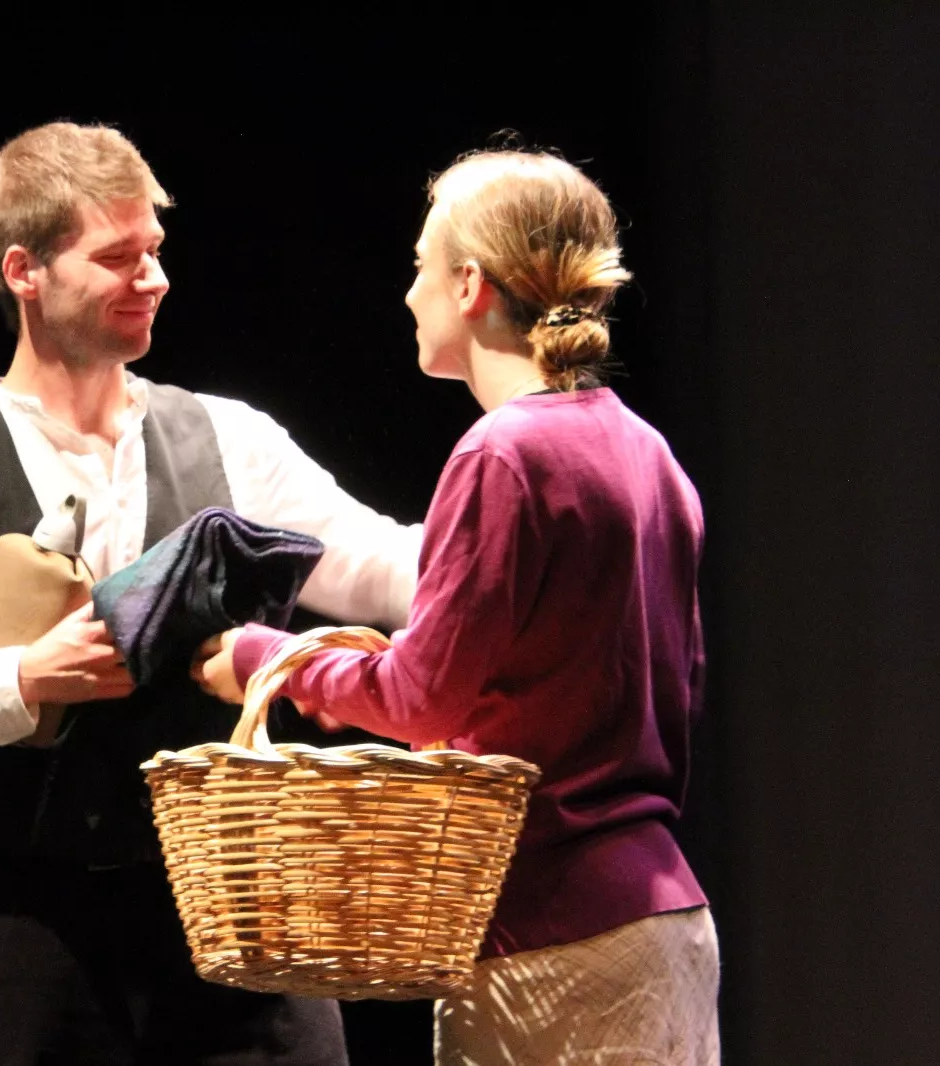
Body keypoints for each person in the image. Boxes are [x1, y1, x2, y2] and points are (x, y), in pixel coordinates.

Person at [0, 121, 425, 1066]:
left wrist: (520, 534)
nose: (155, 278)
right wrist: (21, 679)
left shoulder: (230, 440)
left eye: (156, 251)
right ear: (26, 271)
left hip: (230, 915)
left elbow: (379, 565)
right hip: (24, 935)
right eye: (118, 256)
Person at [195, 148, 720, 1064]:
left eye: (419, 266)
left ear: (470, 284)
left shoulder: (502, 455)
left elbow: (420, 696)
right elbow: (678, 690)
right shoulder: (650, 454)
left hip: (549, 931)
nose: (408, 294)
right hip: (662, 917)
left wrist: (263, 659)